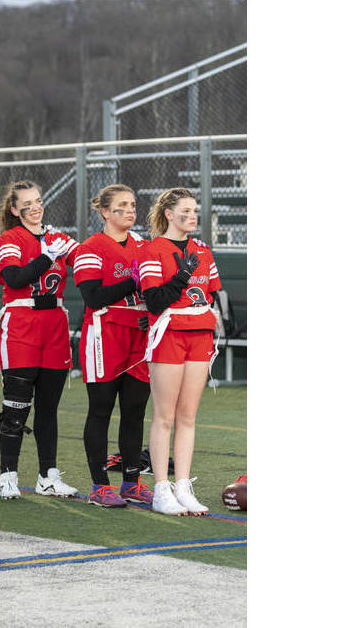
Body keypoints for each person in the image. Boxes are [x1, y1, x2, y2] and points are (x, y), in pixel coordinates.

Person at [0, 181, 80, 499]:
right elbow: (13, 277)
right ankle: (8, 475)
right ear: (15, 210)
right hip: (22, 325)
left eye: (38, 200)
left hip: (54, 324)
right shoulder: (11, 237)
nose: (35, 207)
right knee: (16, 405)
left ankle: (48, 475)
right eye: (27, 203)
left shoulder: (58, 237)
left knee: (48, 408)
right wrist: (44, 259)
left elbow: (83, 259)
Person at [137, 188, 220, 516]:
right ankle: (161, 489)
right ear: (168, 214)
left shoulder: (203, 249)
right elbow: (154, 301)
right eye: (184, 211)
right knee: (165, 416)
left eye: (194, 210)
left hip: (199, 335)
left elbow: (212, 295)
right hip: (169, 334)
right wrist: (182, 275)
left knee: (188, 416)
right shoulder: (152, 250)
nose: (191, 216)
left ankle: (183, 485)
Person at [72, 184, 154, 508]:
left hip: (139, 333)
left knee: (134, 411)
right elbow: (93, 296)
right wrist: (134, 280)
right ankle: (99, 485)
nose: (131, 211)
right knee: (101, 409)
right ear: (105, 212)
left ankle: (131, 482)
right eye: (122, 205)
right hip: (104, 335)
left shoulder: (144, 246)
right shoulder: (90, 248)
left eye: (133, 204)